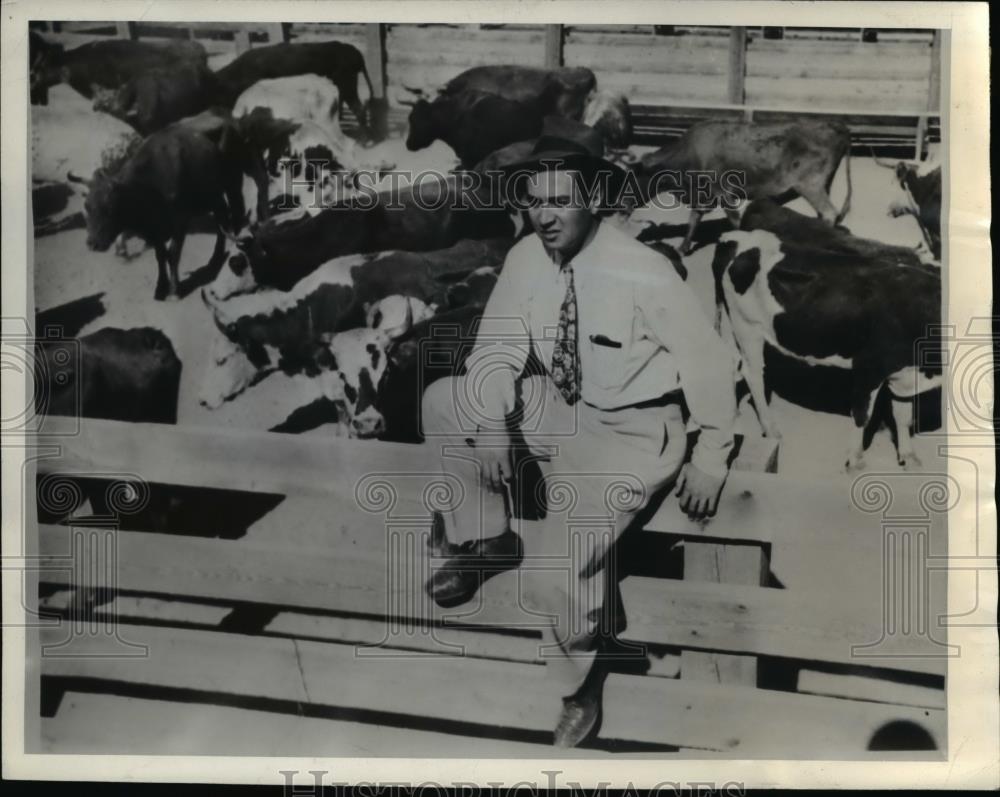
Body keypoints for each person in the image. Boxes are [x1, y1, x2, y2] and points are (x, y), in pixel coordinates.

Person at [419, 117, 738, 748]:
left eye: (560, 199)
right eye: (534, 200)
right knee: (446, 400)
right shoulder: (525, 258)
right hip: (565, 410)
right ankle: (486, 538)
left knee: (553, 573)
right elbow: (495, 350)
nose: (544, 214)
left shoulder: (642, 268)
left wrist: (713, 453)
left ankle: (581, 682)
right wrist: (489, 421)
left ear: (592, 198)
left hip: (632, 432)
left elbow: (708, 361)